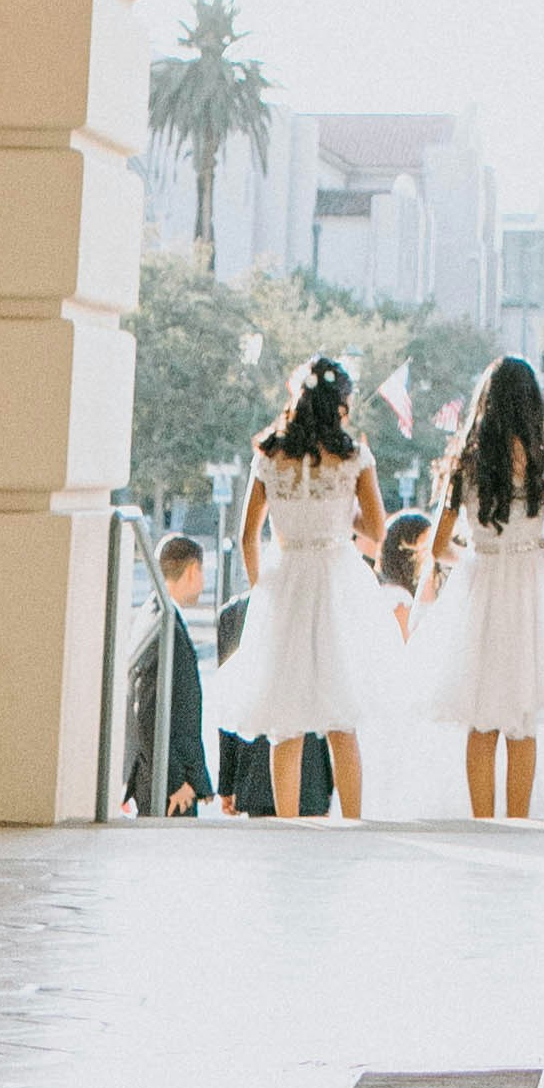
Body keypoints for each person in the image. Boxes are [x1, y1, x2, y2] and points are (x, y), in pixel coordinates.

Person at [408, 353, 544, 824]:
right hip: (529, 591)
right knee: (522, 716)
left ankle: (482, 824)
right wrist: (529, 546)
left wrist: (477, 555)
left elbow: (437, 545)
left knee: (480, 718)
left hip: (480, 586)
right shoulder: (542, 462)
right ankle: (516, 822)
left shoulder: (466, 462)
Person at [207, 349, 395, 820]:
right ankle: (352, 821)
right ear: (341, 405)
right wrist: (340, 510)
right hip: (336, 578)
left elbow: (248, 534)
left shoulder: (270, 455)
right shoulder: (353, 457)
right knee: (342, 719)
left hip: (285, 579)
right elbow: (377, 529)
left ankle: (287, 827)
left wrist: (259, 588)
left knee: (284, 720)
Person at [121, 532, 218, 813]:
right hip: (168, 787)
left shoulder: (152, 614)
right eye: (202, 572)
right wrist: (176, 781)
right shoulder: (166, 626)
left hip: (158, 777)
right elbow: (149, 712)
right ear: (192, 571)